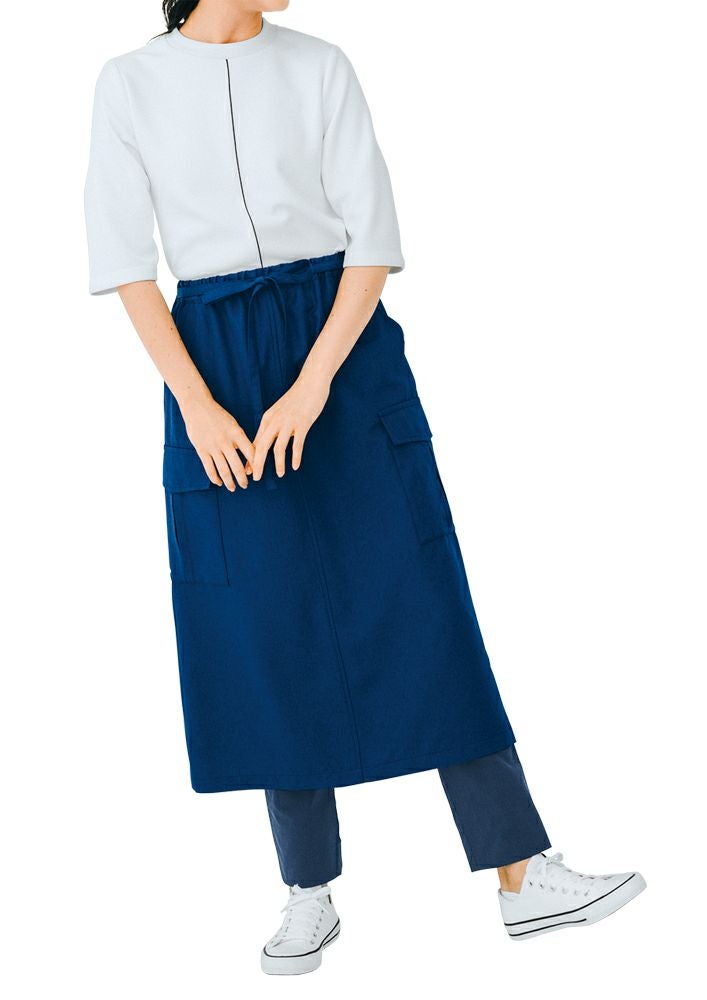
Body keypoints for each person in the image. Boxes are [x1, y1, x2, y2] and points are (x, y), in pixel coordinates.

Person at [83, 0, 646, 976]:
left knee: (421, 595)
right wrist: (196, 405)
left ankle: (520, 872)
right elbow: (127, 264)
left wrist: (313, 384)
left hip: (342, 346)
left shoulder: (319, 64)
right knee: (263, 623)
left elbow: (370, 240)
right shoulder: (129, 84)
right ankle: (307, 890)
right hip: (212, 357)